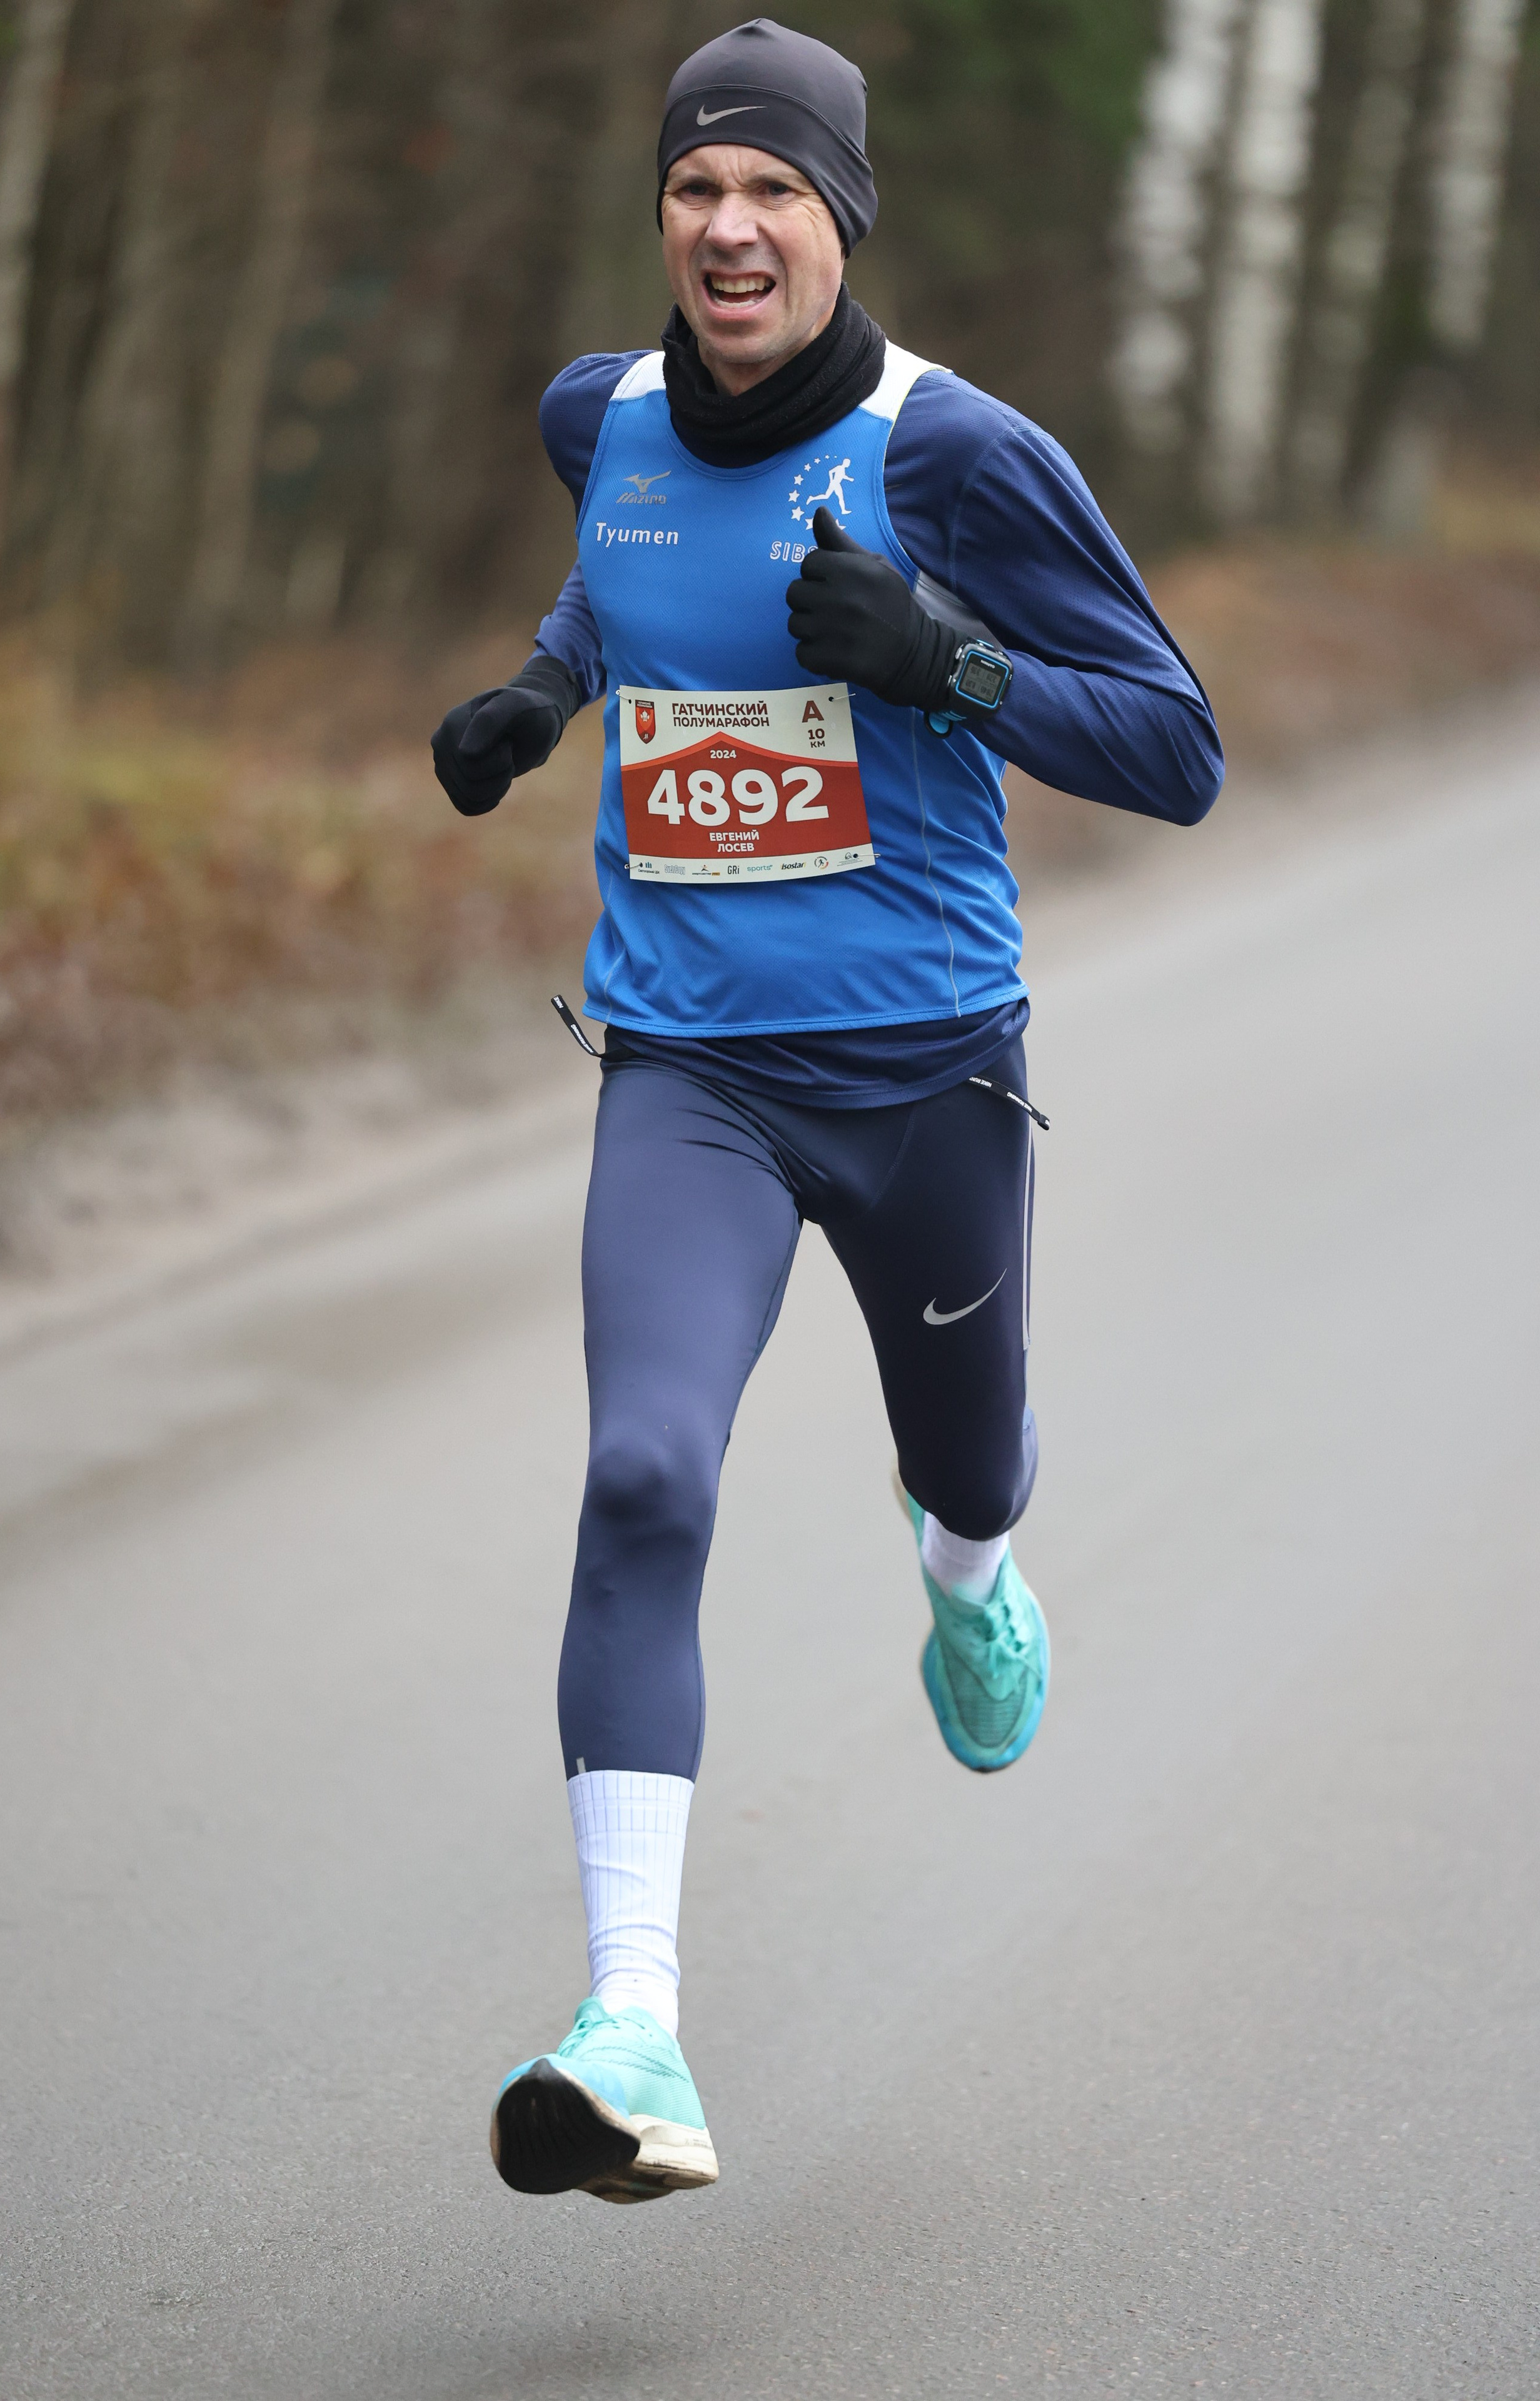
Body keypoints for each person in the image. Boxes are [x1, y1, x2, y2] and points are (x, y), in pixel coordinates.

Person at [431, 18, 1222, 2208]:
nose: (730, 224)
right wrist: (542, 689)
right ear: (661, 219)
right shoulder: (598, 416)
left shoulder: (954, 454)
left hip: (930, 1075)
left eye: (776, 188)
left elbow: (1178, 747)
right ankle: (634, 2030)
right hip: (688, 1069)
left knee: (963, 1465)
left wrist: (942, 655)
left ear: (842, 215)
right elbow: (627, 566)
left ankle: (970, 1570)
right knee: (640, 1470)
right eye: (697, 188)